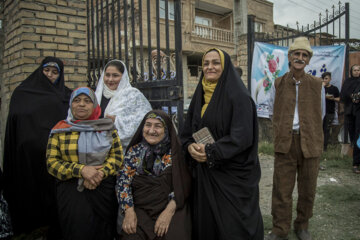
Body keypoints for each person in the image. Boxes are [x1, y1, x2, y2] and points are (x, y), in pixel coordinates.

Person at [180, 48, 263, 240]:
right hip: (205, 173)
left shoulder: (239, 97)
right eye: (206, 63)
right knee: (208, 223)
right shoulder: (200, 95)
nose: (210, 67)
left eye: (216, 63)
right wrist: (189, 146)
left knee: (232, 225)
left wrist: (211, 151)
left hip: (231, 175)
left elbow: (242, 137)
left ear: (225, 66)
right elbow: (187, 131)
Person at [2, 57, 72, 238]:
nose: (49, 75)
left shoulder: (67, 96)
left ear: (60, 75)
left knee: (53, 200)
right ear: (40, 70)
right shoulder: (22, 92)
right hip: (27, 158)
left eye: (55, 72)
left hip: (56, 159)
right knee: (30, 196)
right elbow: (14, 124)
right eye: (46, 70)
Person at [266, 37, 325, 240]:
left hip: (311, 142)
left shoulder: (318, 85)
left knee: (308, 188)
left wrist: (308, 131)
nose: (300, 58)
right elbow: (273, 111)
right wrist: (283, 130)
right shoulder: (278, 83)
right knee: (282, 188)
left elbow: (322, 114)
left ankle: (302, 226)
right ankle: (280, 229)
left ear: (308, 60)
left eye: (304, 55)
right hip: (285, 142)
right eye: (297, 54)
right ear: (290, 57)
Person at [46, 87, 123, 240]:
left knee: (104, 232)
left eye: (87, 101)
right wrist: (81, 170)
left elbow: (117, 157)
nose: (81, 104)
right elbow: (51, 163)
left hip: (102, 191)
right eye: (77, 100)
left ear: (94, 106)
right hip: (72, 193)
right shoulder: (60, 130)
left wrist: (99, 173)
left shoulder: (107, 128)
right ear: (71, 104)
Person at [116, 110, 191, 240]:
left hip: (170, 206)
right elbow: (123, 183)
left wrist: (168, 212)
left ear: (166, 129)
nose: (151, 130)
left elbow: (182, 186)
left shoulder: (175, 154)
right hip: (140, 209)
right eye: (148, 125)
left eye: (157, 126)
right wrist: (129, 211)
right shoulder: (135, 152)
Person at [95, 59, 152, 150]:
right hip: (97, 148)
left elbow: (144, 121)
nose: (110, 79)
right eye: (107, 75)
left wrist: (116, 120)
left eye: (115, 75)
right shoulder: (97, 96)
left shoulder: (133, 95)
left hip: (124, 150)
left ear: (124, 76)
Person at [340, 64, 360, 174]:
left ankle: (356, 163)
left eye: (358, 70)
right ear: (351, 71)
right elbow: (343, 95)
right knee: (354, 137)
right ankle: (356, 162)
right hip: (351, 112)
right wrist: (351, 96)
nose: (357, 72)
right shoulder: (348, 82)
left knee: (358, 137)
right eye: (355, 70)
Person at [322, 72, 340, 151]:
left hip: (330, 112)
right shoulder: (320, 88)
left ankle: (324, 147)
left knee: (327, 129)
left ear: (330, 79)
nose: (325, 80)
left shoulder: (334, 88)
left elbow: (339, 99)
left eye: (326, 78)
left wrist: (332, 98)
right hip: (320, 112)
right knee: (319, 129)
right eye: (323, 79)